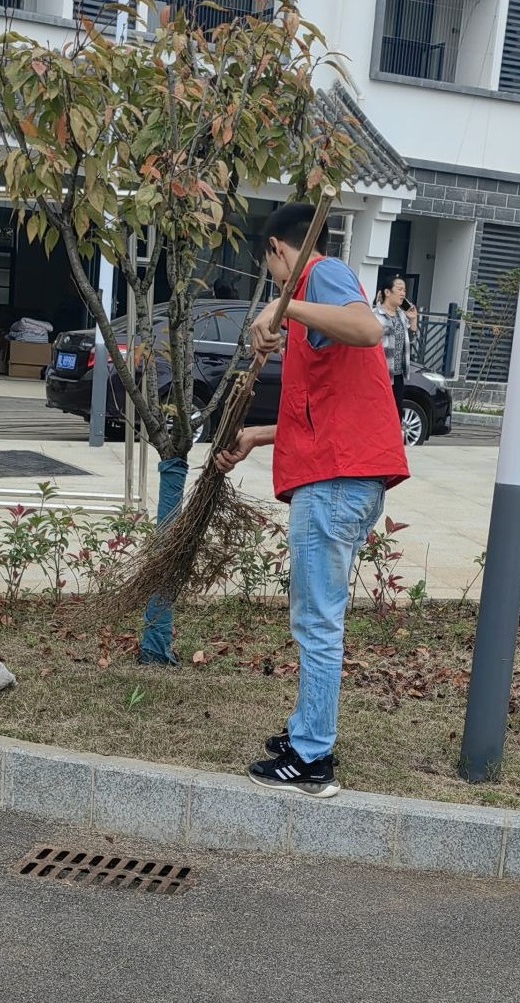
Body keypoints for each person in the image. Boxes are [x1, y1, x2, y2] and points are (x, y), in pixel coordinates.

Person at [215, 203, 411, 798]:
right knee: (315, 616)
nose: (274, 284)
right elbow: (325, 408)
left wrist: (288, 303)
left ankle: (312, 758)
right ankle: (307, 730)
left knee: (316, 620)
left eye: (270, 270)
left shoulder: (319, 276)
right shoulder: (314, 295)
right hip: (339, 472)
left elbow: (371, 326)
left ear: (278, 249)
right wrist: (258, 434)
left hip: (335, 482)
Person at [373, 275, 419, 426]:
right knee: (378, 415)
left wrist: (413, 320)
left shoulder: (402, 316)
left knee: (395, 416)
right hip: (380, 375)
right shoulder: (375, 316)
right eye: (399, 289)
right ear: (387, 292)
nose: (403, 293)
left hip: (397, 375)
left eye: (404, 290)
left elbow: (410, 341)